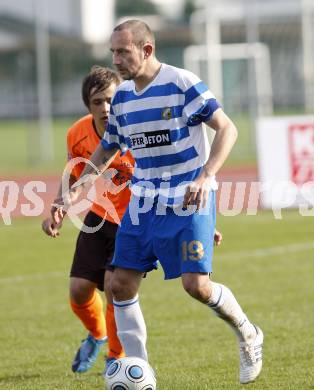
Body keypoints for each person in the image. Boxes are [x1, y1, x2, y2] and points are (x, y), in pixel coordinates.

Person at [62, 20, 263, 384]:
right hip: (143, 202)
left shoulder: (180, 83)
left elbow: (227, 128)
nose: (116, 60)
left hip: (188, 195)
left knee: (196, 286)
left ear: (146, 49)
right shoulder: (122, 97)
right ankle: (140, 373)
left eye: (123, 51)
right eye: (113, 52)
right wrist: (76, 188)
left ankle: (248, 332)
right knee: (119, 284)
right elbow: (107, 147)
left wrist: (206, 176)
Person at [42, 66, 135, 373]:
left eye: (111, 99)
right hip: (99, 215)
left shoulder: (136, 130)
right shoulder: (78, 132)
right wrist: (59, 207)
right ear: (88, 106)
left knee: (114, 286)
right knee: (79, 290)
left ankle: (116, 356)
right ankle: (98, 335)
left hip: (134, 221)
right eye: (98, 102)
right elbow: (74, 171)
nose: (105, 108)